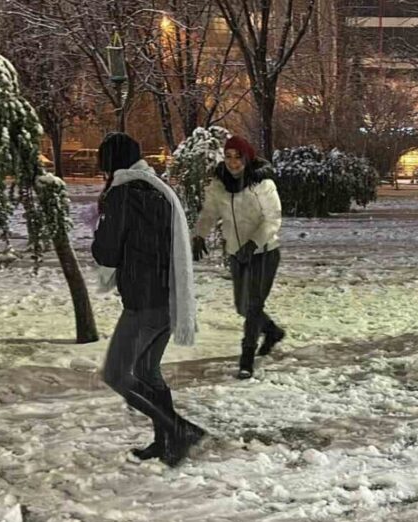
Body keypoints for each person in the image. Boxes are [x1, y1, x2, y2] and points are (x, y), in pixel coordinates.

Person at [92, 132, 205, 467]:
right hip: (170, 297)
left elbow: (108, 251)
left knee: (115, 374)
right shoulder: (157, 189)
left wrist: (98, 232)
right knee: (146, 369)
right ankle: (165, 441)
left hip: (144, 301)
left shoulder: (123, 195)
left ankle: (178, 429)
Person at [191, 135, 285, 380]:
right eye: (229, 156)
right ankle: (272, 331)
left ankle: (246, 359)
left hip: (264, 252)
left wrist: (254, 243)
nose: (233, 162)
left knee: (253, 306)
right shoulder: (219, 184)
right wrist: (199, 235)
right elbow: (210, 212)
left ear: (247, 158)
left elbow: (272, 219)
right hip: (236, 252)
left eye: (238, 157)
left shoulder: (262, 184)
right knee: (242, 306)